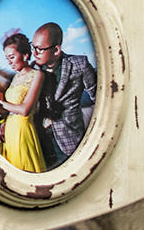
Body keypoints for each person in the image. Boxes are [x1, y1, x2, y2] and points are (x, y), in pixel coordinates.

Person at [31, 21, 97, 168]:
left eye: (39, 49)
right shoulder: (32, 69)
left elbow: (98, 98)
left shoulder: (80, 64)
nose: (34, 53)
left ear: (56, 50)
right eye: (32, 47)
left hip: (69, 141)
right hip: (39, 140)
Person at [0, 31, 46, 172]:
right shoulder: (15, 78)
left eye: (12, 57)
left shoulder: (37, 75)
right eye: (7, 58)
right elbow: (12, 109)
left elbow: (24, 110)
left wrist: (1, 102)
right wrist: (4, 122)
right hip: (10, 132)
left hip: (23, 132)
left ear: (25, 55)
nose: (9, 62)